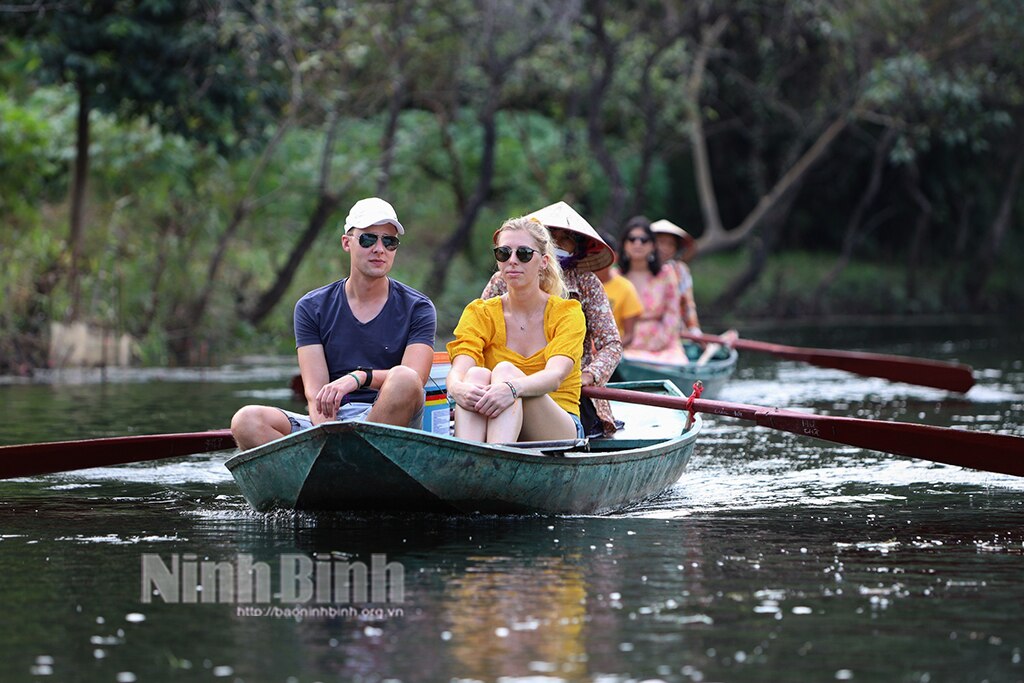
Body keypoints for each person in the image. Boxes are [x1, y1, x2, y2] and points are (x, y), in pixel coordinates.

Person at [230, 197, 437, 451]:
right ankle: (326, 471)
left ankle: (354, 462)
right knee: (246, 420)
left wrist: (359, 377)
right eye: (368, 238)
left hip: (390, 423)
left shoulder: (418, 307)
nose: (379, 249)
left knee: (404, 379)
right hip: (330, 423)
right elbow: (315, 393)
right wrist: (329, 440)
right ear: (346, 243)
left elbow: (415, 378)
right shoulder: (311, 307)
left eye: (389, 241)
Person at [480, 201, 622, 437]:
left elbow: (612, 344)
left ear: (575, 247)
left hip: (567, 392)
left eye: (564, 238)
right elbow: (479, 334)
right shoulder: (503, 279)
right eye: (550, 236)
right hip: (504, 382)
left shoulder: (586, 284)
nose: (556, 243)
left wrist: (590, 374)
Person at [446, 216, 586, 444]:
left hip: (557, 425)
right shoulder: (480, 312)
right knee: (475, 375)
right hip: (500, 419)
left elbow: (554, 377)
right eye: (504, 253)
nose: (512, 261)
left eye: (523, 254)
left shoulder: (567, 312)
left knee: (505, 372)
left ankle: (495, 459)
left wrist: (511, 388)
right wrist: (457, 389)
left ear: (543, 261)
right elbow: (459, 370)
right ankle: (469, 460)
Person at [617, 216, 687, 363]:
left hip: (662, 345)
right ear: (624, 244)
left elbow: (672, 315)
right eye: (631, 239)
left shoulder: (666, 274)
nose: (637, 244)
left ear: (652, 245)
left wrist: (657, 342)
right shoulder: (615, 276)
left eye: (644, 240)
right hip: (621, 343)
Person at [651, 219, 701, 334]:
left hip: (675, 330)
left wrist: (694, 330)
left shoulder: (680, 270)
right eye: (661, 242)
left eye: (670, 244)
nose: (665, 248)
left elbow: (688, 304)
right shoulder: (640, 267)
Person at [594, 262, 643, 347]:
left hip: (610, 349)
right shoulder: (580, 284)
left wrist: (608, 351)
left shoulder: (625, 287)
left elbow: (629, 335)